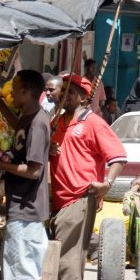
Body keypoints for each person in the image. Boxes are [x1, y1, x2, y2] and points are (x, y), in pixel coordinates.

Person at [49, 74, 127, 279]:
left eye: (71, 92)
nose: (65, 96)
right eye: (63, 90)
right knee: (59, 257)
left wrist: (107, 184)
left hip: (79, 198)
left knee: (67, 261)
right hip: (57, 199)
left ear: (83, 98)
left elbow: (118, 156)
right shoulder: (57, 121)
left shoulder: (94, 123)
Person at [0, 69, 50, 280]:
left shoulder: (38, 124)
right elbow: (18, 127)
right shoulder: (28, 118)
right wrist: (0, 105)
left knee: (21, 272)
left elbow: (34, 171)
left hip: (26, 210)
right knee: (18, 269)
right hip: (22, 209)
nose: (11, 94)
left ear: (25, 91)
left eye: (14, 90)